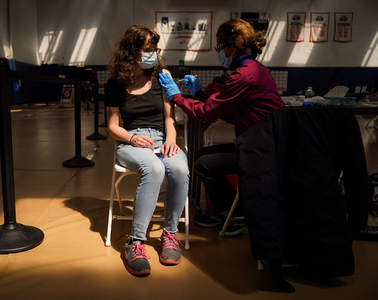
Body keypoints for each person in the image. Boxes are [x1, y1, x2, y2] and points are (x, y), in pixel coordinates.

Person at [159, 19, 294, 292]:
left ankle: (231, 214)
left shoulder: (244, 75)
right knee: (207, 156)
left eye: (221, 47)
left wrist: (176, 96)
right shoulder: (254, 69)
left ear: (231, 48)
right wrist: (200, 94)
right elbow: (235, 111)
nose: (219, 52)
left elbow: (206, 113)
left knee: (204, 163)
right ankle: (229, 211)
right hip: (264, 142)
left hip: (263, 152)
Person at [105, 25, 189, 276]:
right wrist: (131, 137)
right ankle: (136, 242)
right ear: (132, 51)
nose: (153, 54)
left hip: (162, 137)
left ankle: (170, 234)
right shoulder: (116, 83)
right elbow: (112, 126)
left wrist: (171, 138)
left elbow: (169, 116)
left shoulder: (162, 75)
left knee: (179, 168)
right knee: (153, 169)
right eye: (147, 49)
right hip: (130, 142)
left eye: (154, 49)